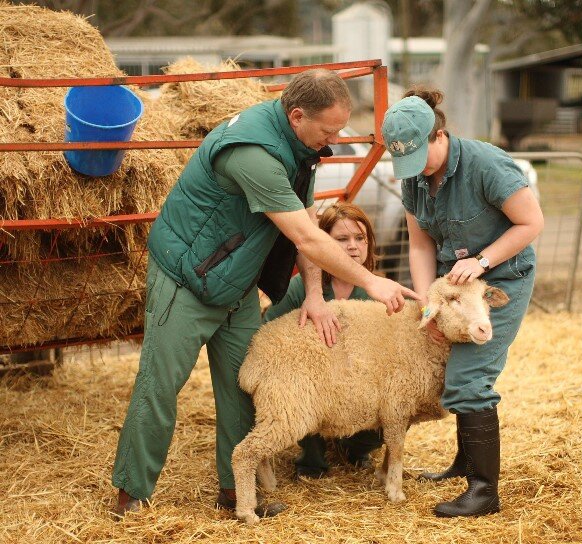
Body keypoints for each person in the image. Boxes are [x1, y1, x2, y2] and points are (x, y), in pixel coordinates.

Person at [112, 69, 418, 519]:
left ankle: (238, 491)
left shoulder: (301, 149)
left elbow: (308, 222)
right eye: (329, 130)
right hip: (186, 279)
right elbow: (307, 238)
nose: (335, 138)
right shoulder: (253, 153)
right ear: (297, 116)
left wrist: (314, 293)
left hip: (234, 283)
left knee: (242, 388)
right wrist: (372, 281)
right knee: (162, 384)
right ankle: (132, 491)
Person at [380, 88, 544, 518]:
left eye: (419, 156)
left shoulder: (485, 164)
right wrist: (426, 304)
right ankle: (464, 463)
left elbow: (532, 222)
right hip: (451, 286)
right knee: (452, 367)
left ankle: (484, 491)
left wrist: (484, 260)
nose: (413, 170)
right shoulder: (414, 177)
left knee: (470, 375)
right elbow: (418, 245)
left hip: (500, 280)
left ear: (438, 134)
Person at [262, 202, 383, 479]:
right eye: (342, 239)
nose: (353, 246)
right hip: (313, 380)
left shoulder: (376, 292)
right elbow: (268, 330)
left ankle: (355, 449)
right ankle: (312, 456)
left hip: (357, 384)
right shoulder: (301, 288)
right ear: (323, 242)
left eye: (360, 238)